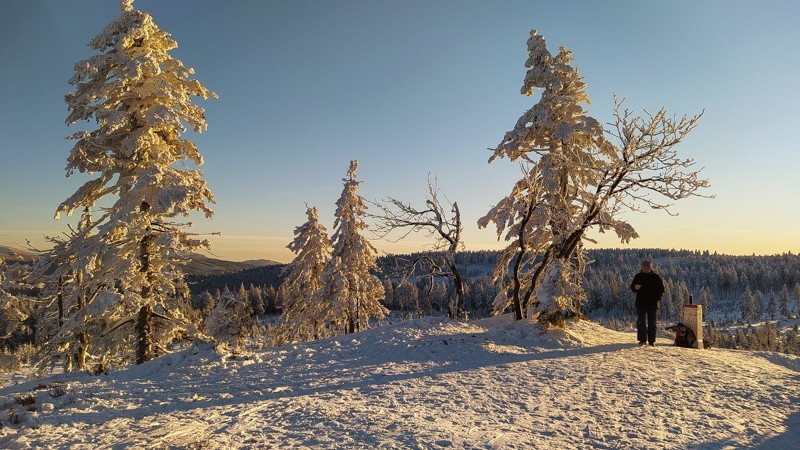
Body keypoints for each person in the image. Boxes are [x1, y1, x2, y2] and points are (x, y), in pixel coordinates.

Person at [630, 260, 664, 346]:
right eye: (644, 267)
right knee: (641, 322)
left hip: (652, 304)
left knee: (652, 323)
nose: (645, 269)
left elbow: (661, 290)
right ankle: (642, 340)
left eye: (647, 267)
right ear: (642, 267)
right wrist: (635, 288)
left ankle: (652, 341)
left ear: (651, 267)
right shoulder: (638, 276)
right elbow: (632, 288)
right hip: (640, 303)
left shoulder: (656, 277)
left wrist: (658, 298)